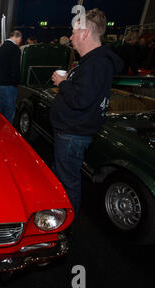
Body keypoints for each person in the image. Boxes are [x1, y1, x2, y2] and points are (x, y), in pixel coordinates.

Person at [50, 8, 123, 215]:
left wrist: (63, 83)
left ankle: (66, 224)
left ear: (84, 33)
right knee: (62, 177)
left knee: (68, 182)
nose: (71, 37)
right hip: (71, 131)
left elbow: (81, 99)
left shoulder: (97, 63)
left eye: (74, 32)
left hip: (73, 133)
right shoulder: (93, 62)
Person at [0, 30, 22, 123]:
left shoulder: (1, 47)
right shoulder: (15, 49)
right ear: (18, 37)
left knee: (1, 109)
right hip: (9, 85)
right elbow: (15, 68)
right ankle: (8, 133)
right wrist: (15, 83)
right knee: (9, 111)